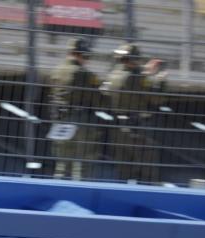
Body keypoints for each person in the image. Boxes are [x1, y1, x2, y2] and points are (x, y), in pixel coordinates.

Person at [101, 43, 168, 183]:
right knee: (147, 169)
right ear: (134, 59)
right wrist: (160, 80)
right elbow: (157, 99)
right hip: (136, 128)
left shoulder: (113, 75)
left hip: (118, 129)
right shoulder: (137, 77)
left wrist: (145, 72)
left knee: (124, 170)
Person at [47, 37, 101, 181]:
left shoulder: (56, 70)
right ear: (82, 55)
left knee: (62, 161)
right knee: (82, 162)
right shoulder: (84, 74)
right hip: (79, 120)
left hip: (59, 118)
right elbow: (98, 98)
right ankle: (80, 191)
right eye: (87, 56)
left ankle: (59, 190)